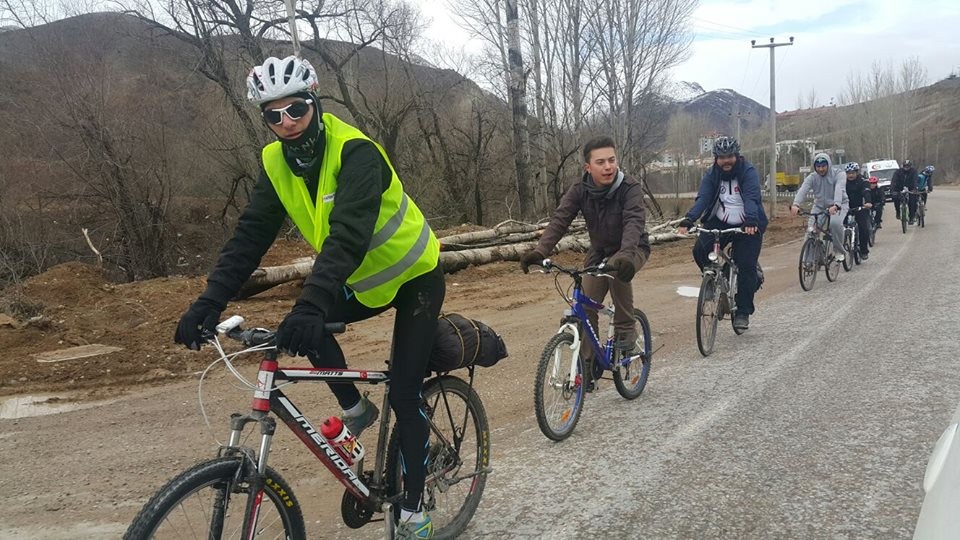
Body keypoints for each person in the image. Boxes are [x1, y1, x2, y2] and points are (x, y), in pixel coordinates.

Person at [173, 56, 441, 539]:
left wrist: (312, 301)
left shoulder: (356, 152)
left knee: (404, 392)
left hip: (415, 277)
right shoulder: (276, 162)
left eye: (295, 110)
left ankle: (415, 511)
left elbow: (348, 234)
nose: (287, 124)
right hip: (362, 280)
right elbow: (249, 236)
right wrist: (208, 302)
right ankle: (358, 410)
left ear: (314, 103)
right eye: (273, 116)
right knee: (298, 332)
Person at [519, 136, 650, 391]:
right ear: (588, 167)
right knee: (585, 302)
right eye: (600, 162)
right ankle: (588, 365)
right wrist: (540, 251)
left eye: (611, 160)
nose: (608, 166)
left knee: (616, 271)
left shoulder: (629, 187)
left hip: (632, 249)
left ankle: (625, 329)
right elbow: (560, 220)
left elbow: (634, 221)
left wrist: (625, 254)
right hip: (599, 251)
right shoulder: (580, 190)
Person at [678, 135, 767, 331]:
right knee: (700, 250)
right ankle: (713, 282)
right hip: (720, 220)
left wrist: (751, 220)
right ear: (716, 158)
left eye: (729, 156)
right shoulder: (712, 175)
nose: (726, 161)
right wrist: (690, 218)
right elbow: (703, 198)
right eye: (721, 157)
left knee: (746, 265)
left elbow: (752, 197)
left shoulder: (748, 171)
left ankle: (743, 311)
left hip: (747, 223)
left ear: (736, 155)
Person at [790, 153, 849, 259]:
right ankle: (808, 261)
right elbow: (803, 190)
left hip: (838, 204)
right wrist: (796, 204)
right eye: (818, 166)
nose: (821, 169)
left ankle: (838, 250)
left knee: (835, 224)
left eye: (823, 166)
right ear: (815, 167)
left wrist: (836, 204)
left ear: (828, 165)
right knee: (811, 230)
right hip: (820, 206)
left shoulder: (839, 174)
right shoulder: (812, 177)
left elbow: (839, 189)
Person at [844, 162, 872, 260]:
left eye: (852, 173)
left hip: (860, 207)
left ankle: (864, 251)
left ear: (857, 172)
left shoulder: (863, 181)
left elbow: (866, 191)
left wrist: (868, 202)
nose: (850, 175)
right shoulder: (843, 182)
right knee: (840, 227)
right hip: (845, 207)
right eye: (848, 173)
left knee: (863, 228)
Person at [891, 159, 919, 224]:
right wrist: (892, 190)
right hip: (899, 188)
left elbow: (915, 180)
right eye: (905, 166)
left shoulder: (914, 171)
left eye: (908, 166)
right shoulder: (897, 172)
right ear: (903, 166)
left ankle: (912, 217)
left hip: (910, 189)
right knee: (896, 198)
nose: (906, 168)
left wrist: (915, 189)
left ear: (910, 166)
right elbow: (893, 181)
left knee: (912, 201)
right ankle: (898, 212)